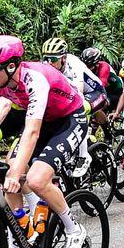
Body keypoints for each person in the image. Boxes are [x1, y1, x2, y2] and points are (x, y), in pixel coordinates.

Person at [0, 36, 90, 248]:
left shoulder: (34, 78)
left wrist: (17, 174)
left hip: (70, 119)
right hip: (44, 120)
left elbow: (32, 131)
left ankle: (74, 230)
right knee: (9, 176)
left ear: (10, 66)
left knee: (36, 180)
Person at [43, 37, 106, 173]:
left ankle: (84, 156)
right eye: (46, 58)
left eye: (53, 59)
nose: (48, 63)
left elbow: (78, 94)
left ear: (63, 58)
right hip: (72, 94)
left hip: (96, 93)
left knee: (79, 108)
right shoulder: (48, 66)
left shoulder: (74, 65)